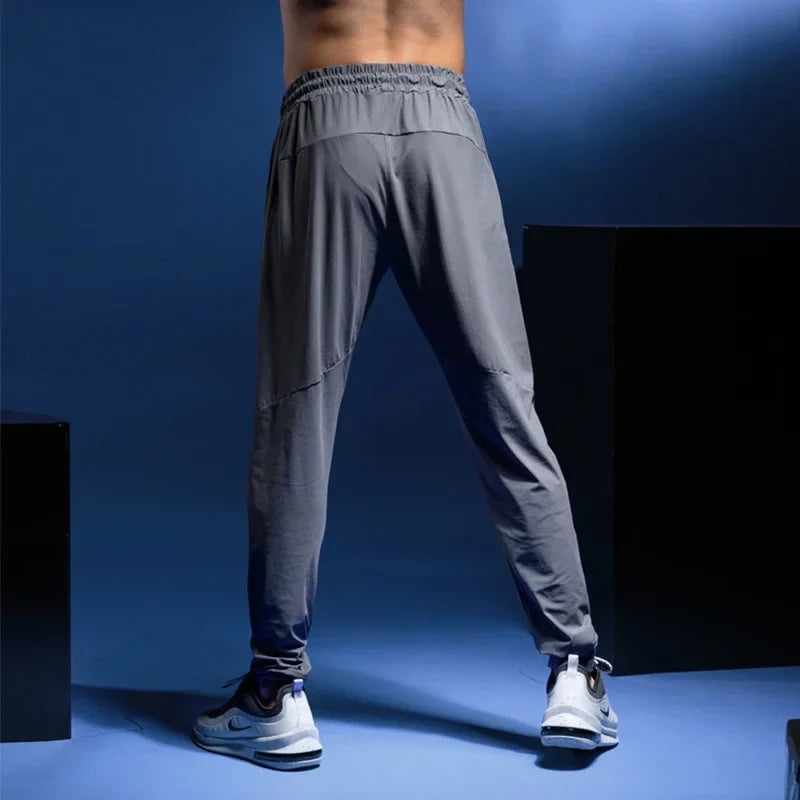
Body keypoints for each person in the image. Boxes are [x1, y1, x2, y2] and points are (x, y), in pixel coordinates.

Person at [191, 0, 619, 770]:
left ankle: (275, 694)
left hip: (328, 117)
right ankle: (574, 671)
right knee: (504, 404)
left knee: (297, 415)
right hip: (441, 126)